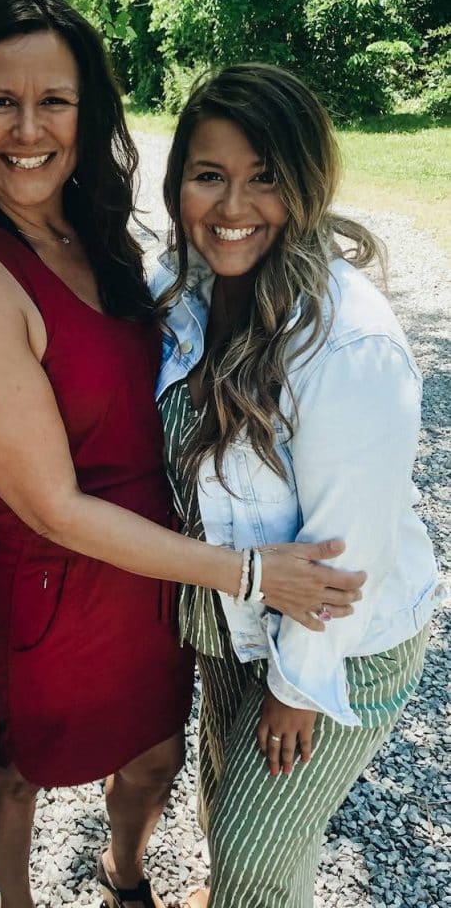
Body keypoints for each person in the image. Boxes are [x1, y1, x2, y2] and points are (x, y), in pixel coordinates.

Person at [0, 0, 365, 908]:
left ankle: (124, 875)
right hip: (47, 578)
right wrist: (244, 572)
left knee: (155, 752)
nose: (28, 129)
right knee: (23, 771)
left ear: (89, 113)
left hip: (156, 571)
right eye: (0, 102)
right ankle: (14, 899)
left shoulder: (96, 229)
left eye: (55, 102)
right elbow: (49, 505)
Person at [150, 63, 442, 908]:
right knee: (222, 808)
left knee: (253, 853)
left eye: (264, 179)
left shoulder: (351, 345)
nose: (232, 207)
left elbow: (348, 549)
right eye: (210, 176)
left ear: (305, 184)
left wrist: (298, 689)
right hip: (231, 612)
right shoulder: (189, 291)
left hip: (337, 647)